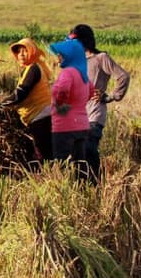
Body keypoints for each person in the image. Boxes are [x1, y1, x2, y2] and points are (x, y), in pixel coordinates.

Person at [69, 24, 130, 174]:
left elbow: (123, 76)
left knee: (88, 147)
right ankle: (83, 186)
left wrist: (110, 97)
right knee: (76, 154)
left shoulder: (101, 58)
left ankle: (97, 180)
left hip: (94, 114)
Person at [1, 38, 53, 164]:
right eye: (19, 52)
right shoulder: (32, 67)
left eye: (25, 51)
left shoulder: (33, 69)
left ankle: (47, 178)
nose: (21, 54)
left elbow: (21, 93)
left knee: (43, 154)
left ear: (32, 52)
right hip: (38, 115)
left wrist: (1, 103)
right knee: (42, 151)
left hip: (39, 116)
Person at [49, 38, 92, 180]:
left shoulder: (67, 72)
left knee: (62, 165)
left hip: (64, 127)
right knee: (80, 164)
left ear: (69, 56)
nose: (58, 58)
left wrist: (60, 104)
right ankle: (82, 192)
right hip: (82, 125)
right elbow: (91, 92)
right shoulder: (83, 74)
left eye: (61, 54)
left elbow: (61, 90)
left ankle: (64, 196)